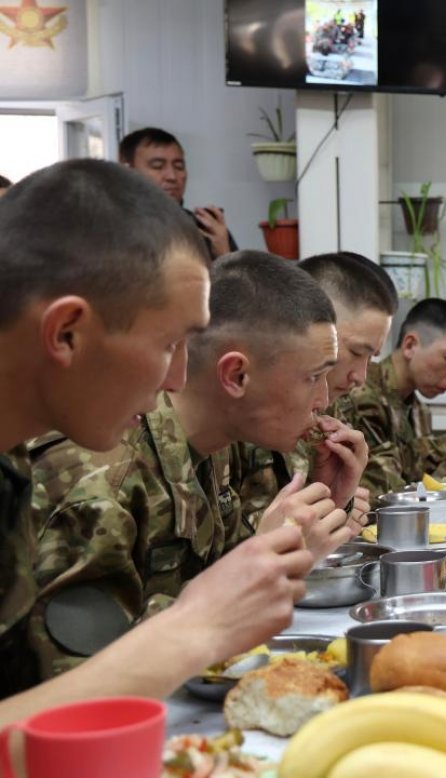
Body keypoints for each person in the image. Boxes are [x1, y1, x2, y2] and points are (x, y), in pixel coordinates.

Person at [0, 160, 310, 724]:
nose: (175, 381)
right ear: (67, 332)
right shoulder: (82, 471)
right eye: (169, 344)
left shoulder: (14, 459)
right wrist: (193, 628)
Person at [29, 251, 367, 679]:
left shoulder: (219, 445)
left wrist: (322, 507)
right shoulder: (101, 487)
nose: (324, 400)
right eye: (312, 377)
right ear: (237, 377)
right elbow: (80, 685)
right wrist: (260, 559)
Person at [239, 251, 402, 507]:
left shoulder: (328, 404)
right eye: (357, 352)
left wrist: (334, 499)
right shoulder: (242, 402)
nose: (361, 377)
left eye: (371, 358)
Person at [345, 298, 446, 484]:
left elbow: (422, 481)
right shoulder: (360, 394)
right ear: (410, 346)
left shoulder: (419, 410)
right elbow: (382, 479)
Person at [119, 127, 238, 262]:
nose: (172, 176)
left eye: (179, 167)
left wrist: (224, 255)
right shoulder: (108, 229)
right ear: (126, 172)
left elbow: (239, 282)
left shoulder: (206, 230)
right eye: (157, 166)